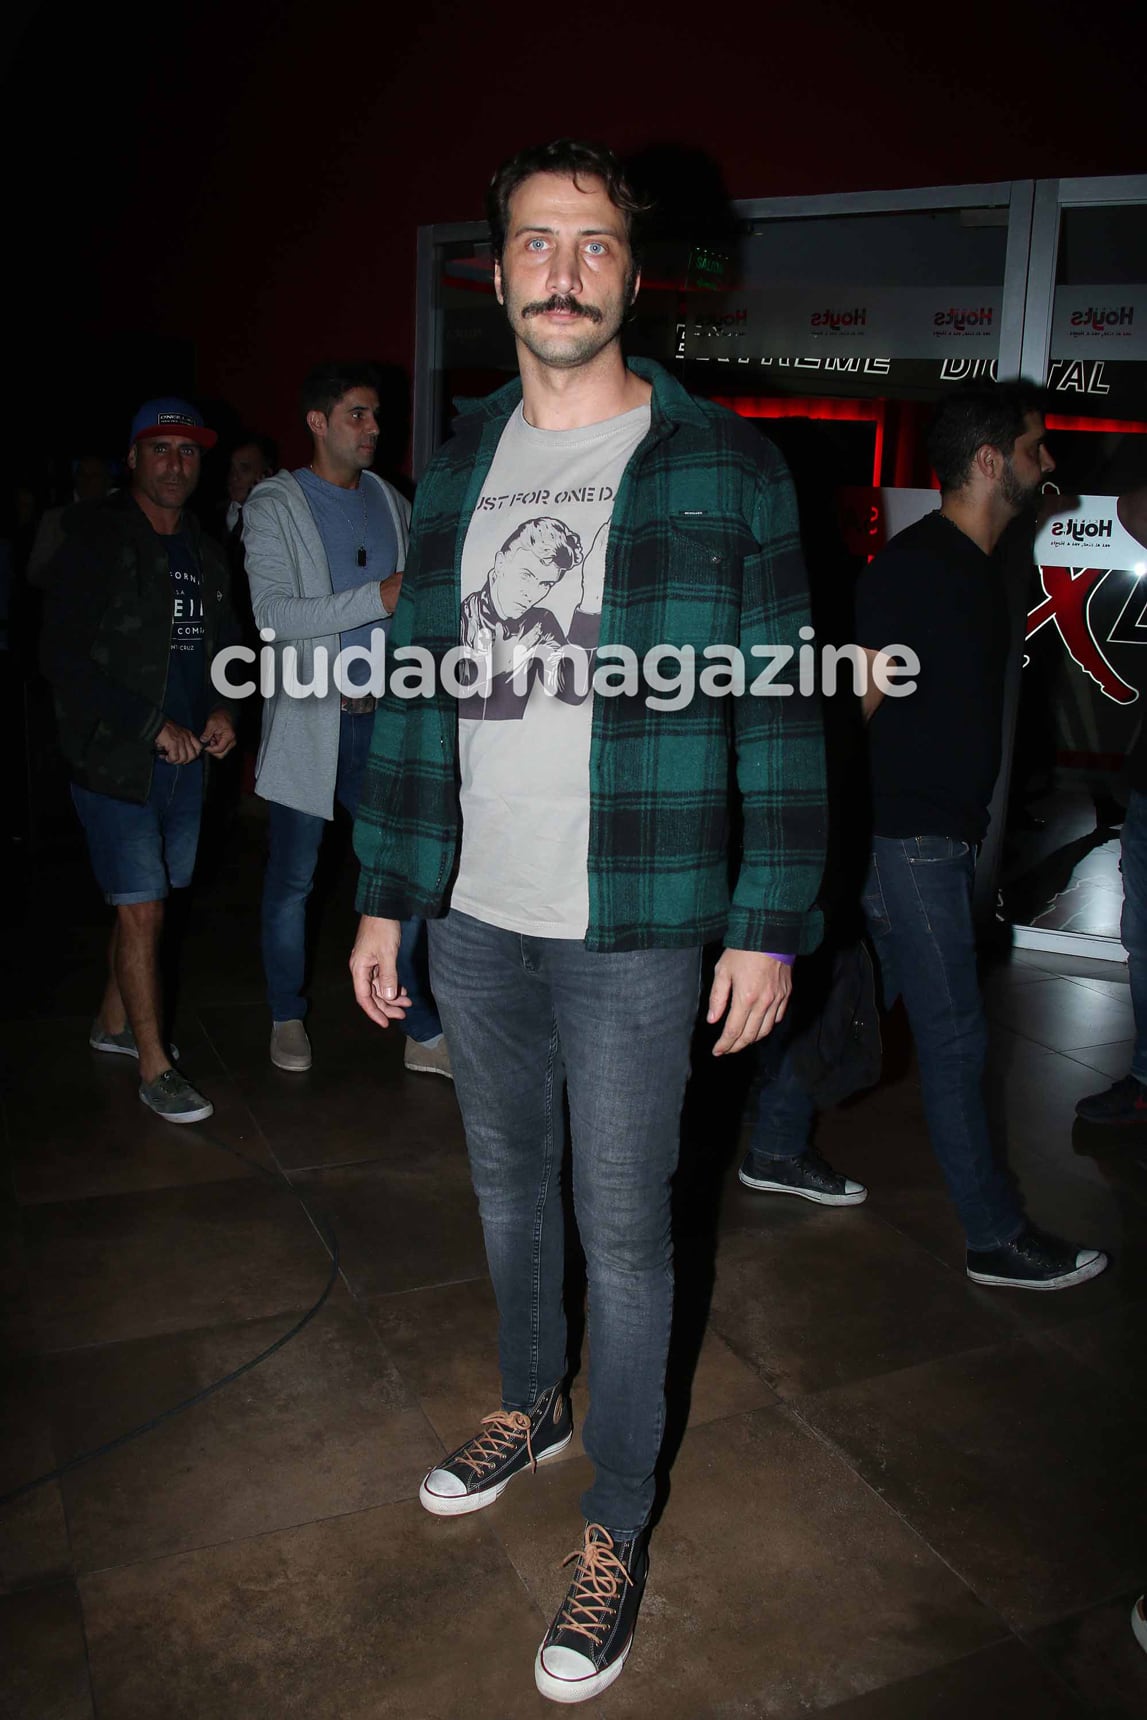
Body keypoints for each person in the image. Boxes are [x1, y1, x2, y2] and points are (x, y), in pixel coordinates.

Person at [348, 138, 826, 1704]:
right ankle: (529, 1401)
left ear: (632, 275)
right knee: (504, 1191)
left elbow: (778, 710)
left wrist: (765, 920)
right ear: (496, 273)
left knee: (627, 1234)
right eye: (533, 241)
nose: (561, 267)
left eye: (594, 243)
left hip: (638, 918)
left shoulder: (721, 465)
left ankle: (614, 1516)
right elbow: (416, 701)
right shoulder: (456, 461)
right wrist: (386, 895)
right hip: (475, 916)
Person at [839, 382, 1105, 1289]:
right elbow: (859, 701)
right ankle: (993, 1234)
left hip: (934, 833)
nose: (1047, 462)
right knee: (954, 1035)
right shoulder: (916, 567)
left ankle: (768, 1140)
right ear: (989, 461)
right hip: (909, 833)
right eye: (1035, 447)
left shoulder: (983, 566)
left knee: (864, 997)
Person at [242, 362, 447, 1074]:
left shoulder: (393, 502)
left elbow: (418, 606)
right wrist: (376, 598)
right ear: (317, 422)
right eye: (358, 415)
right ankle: (286, 1016)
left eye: (376, 416)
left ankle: (418, 1026)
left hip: (385, 725)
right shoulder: (276, 505)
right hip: (309, 725)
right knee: (294, 882)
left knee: (404, 878)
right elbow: (273, 617)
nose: (374, 429)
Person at [38, 398, 237, 1123]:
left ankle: (112, 1023)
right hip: (115, 760)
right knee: (144, 908)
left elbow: (227, 651)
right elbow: (62, 658)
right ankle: (156, 1067)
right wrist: (149, 725)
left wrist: (223, 710)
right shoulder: (92, 538)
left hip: (189, 760)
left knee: (152, 903)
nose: (175, 464)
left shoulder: (207, 552)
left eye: (188, 452)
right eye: (160, 449)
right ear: (133, 458)